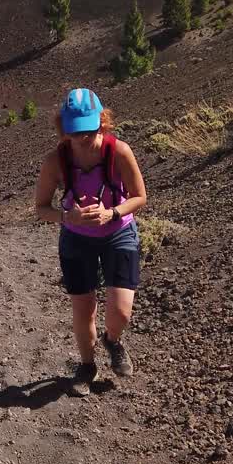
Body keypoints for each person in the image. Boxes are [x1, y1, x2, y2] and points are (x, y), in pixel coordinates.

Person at [34, 88, 147, 396]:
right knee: (84, 309)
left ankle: (113, 340)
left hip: (118, 232)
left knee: (120, 311)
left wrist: (112, 212)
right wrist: (67, 217)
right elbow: (42, 208)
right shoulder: (55, 162)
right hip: (76, 239)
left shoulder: (119, 151)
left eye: (89, 129)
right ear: (64, 129)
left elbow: (139, 196)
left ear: (102, 122)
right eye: (75, 131)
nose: (83, 137)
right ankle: (87, 365)